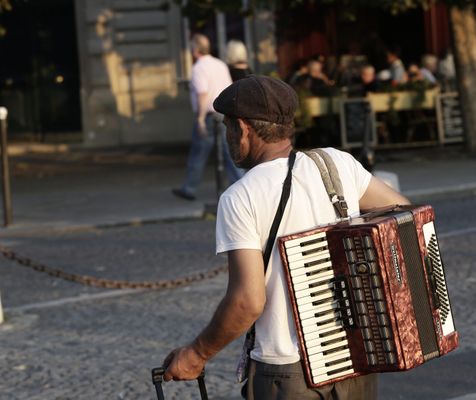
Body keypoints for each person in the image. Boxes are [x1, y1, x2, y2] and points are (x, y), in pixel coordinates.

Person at [162, 75, 411, 399]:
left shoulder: (241, 196)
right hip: (355, 361)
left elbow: (248, 301)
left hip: (290, 370)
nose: (226, 136)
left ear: (243, 128)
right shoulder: (336, 163)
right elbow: (401, 210)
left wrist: (196, 354)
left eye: (227, 127)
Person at [172, 33, 244, 201]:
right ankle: (243, 185)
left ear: (195, 49)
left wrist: (200, 119)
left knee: (199, 152)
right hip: (225, 113)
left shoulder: (198, 68)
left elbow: (202, 94)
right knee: (230, 153)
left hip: (209, 114)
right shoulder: (220, 64)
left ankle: (189, 188)